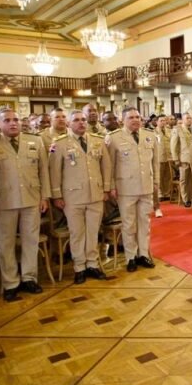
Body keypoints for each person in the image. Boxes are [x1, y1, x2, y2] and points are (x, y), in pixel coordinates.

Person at [0, 108, 50, 301]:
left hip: (31, 198)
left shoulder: (34, 141)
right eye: (7, 120)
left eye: (16, 120)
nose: (13, 123)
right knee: (6, 244)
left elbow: (43, 171)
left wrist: (44, 197)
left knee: (31, 241)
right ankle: (10, 282)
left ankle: (29, 278)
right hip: (4, 201)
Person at [49, 109, 110, 284]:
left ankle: (92, 263)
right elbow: (54, 172)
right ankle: (79, 266)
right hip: (72, 196)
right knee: (77, 233)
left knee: (93, 232)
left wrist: (106, 189)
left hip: (95, 194)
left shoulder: (97, 141)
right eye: (76, 120)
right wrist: (56, 196)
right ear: (68, 123)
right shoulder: (59, 143)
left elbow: (106, 167)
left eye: (83, 120)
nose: (81, 123)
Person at [106, 108, 160, 272]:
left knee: (145, 223)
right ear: (123, 120)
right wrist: (111, 186)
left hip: (146, 186)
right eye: (131, 117)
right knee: (129, 224)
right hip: (126, 188)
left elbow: (155, 162)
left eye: (137, 117)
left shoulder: (150, 135)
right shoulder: (114, 138)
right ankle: (131, 256)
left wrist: (156, 182)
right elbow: (110, 166)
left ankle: (143, 254)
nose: (135, 120)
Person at [170, 114, 192, 207]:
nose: (189, 120)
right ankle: (185, 199)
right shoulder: (178, 129)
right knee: (184, 180)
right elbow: (174, 145)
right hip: (183, 158)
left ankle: (191, 197)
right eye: (187, 118)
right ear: (183, 120)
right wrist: (176, 158)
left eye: (190, 118)